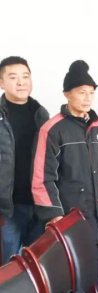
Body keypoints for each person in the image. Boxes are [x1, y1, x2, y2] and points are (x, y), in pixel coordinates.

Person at [31, 60, 98, 293]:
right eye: (82, 92)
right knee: (70, 274)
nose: (87, 98)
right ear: (67, 94)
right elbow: (41, 177)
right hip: (68, 215)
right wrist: (54, 215)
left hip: (95, 214)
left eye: (91, 92)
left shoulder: (97, 127)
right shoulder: (52, 129)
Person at [0, 56, 48, 264]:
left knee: (37, 265)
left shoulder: (41, 114)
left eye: (25, 76)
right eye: (13, 77)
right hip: (8, 207)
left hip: (38, 204)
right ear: (1, 83)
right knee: (9, 266)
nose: (21, 82)